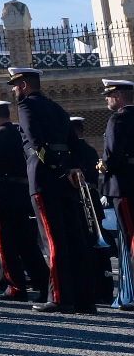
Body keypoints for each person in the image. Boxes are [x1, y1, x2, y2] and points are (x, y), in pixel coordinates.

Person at [8, 66, 95, 314]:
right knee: (73, 238)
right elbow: (74, 145)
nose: (14, 90)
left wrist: (57, 168)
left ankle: (59, 296)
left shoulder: (26, 107)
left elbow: (36, 143)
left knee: (52, 240)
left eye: (15, 85)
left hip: (45, 179)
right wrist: (72, 169)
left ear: (24, 84)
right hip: (66, 180)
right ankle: (84, 298)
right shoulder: (57, 108)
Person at [0, 100, 48, 303]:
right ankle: (43, 284)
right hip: (21, 195)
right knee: (27, 245)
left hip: (1, 197)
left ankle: (16, 286)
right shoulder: (19, 133)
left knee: (5, 245)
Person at [70, 114, 113, 304]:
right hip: (94, 200)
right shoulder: (89, 149)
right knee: (99, 247)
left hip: (81, 202)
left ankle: (91, 287)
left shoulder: (73, 150)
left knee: (84, 245)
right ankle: (105, 287)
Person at [98, 79, 134, 307]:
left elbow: (111, 157)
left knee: (131, 238)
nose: (106, 98)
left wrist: (102, 166)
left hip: (125, 185)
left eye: (109, 94)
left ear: (119, 96)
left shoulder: (118, 119)